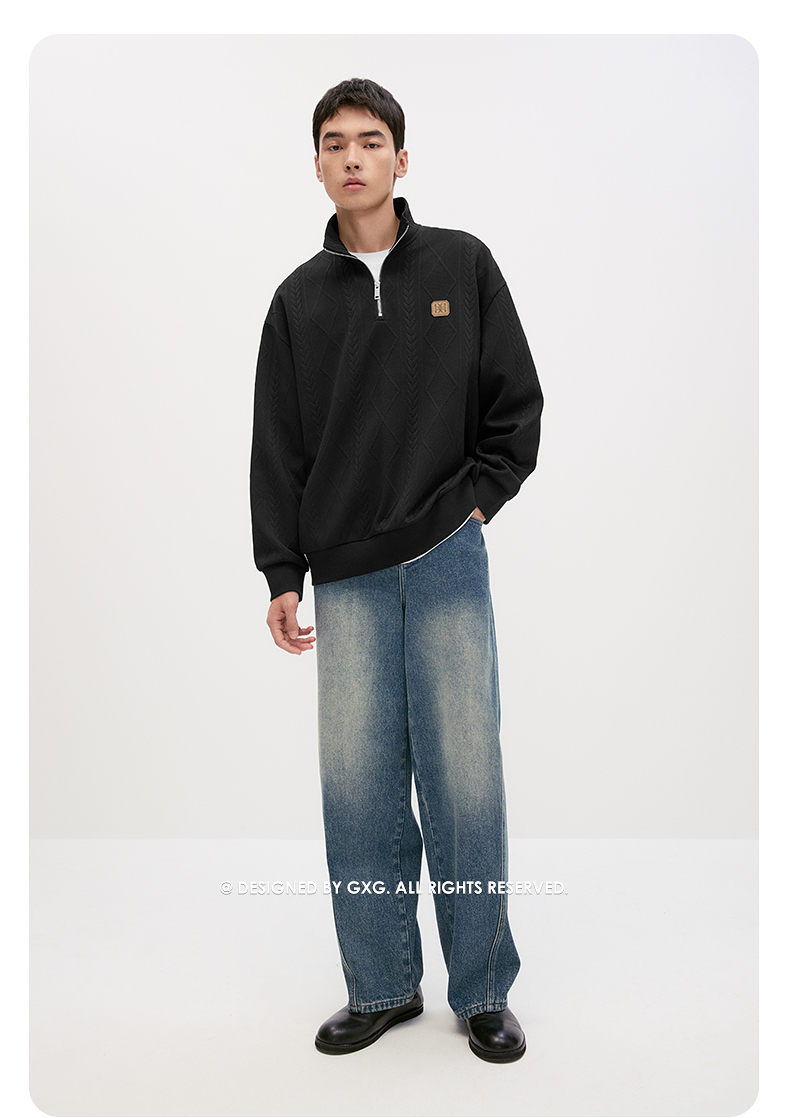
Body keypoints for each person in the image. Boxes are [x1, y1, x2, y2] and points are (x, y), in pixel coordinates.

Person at [250, 77, 543, 1062]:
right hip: (346, 574)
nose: (352, 157)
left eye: (370, 140)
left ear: (400, 159)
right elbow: (278, 446)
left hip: (448, 554)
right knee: (358, 786)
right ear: (317, 164)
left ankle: (484, 990)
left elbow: (515, 405)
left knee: (466, 780)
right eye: (334, 142)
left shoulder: (462, 263)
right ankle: (380, 986)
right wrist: (281, 571)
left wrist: (476, 500)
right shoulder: (297, 300)